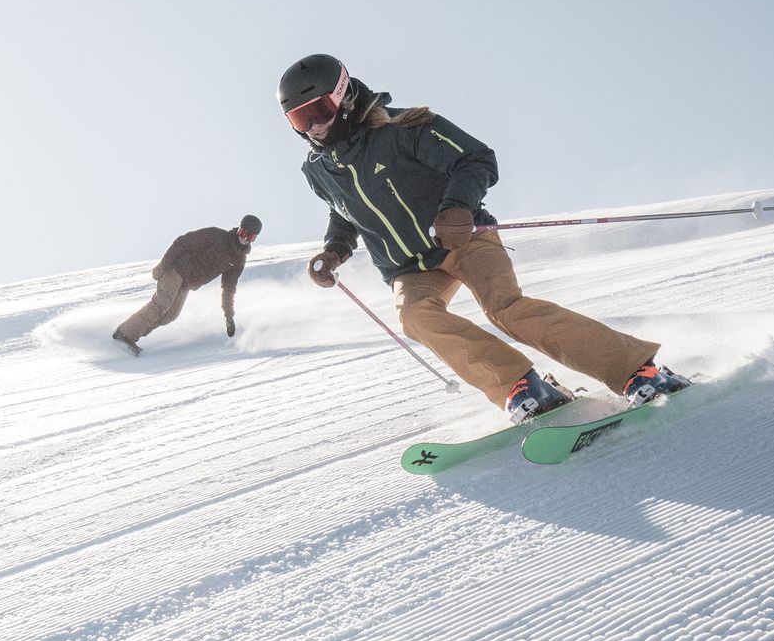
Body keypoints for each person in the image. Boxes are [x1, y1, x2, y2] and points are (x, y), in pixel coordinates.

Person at [277, 53, 690, 418]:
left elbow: (475, 159)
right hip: (407, 266)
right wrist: (334, 250)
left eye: (320, 109)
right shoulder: (317, 169)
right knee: (415, 316)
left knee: (507, 310)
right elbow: (344, 212)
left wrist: (456, 206)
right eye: (300, 118)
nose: (313, 126)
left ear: (344, 95)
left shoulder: (405, 128)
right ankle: (522, 386)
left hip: (462, 238)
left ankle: (637, 370)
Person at [112, 215, 262, 356]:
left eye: (250, 236)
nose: (244, 238)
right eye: (243, 232)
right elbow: (183, 242)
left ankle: (132, 336)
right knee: (162, 304)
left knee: (170, 315)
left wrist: (229, 316)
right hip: (177, 270)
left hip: (187, 284)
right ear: (238, 229)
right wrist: (163, 266)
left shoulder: (238, 260)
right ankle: (124, 335)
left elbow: (229, 288)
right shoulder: (217, 236)